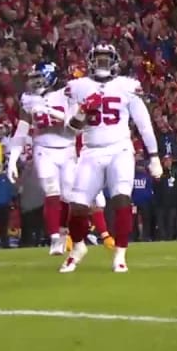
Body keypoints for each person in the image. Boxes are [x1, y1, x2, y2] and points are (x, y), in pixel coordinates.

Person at [59, 43, 162, 273]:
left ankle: (120, 254)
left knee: (121, 199)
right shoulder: (78, 87)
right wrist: (82, 112)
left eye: (107, 59)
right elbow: (70, 129)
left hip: (120, 149)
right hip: (91, 150)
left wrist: (154, 155)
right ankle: (77, 248)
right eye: (99, 59)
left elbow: (144, 125)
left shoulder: (127, 86)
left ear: (115, 61)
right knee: (77, 206)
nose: (102, 63)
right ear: (90, 61)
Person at [5, 61, 78, 255]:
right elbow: (21, 132)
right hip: (43, 149)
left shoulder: (66, 94)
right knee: (51, 192)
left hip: (67, 148)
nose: (34, 82)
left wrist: (50, 111)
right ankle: (54, 237)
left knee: (68, 196)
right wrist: (12, 159)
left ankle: (63, 232)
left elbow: (75, 121)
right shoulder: (28, 100)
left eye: (38, 77)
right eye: (33, 78)